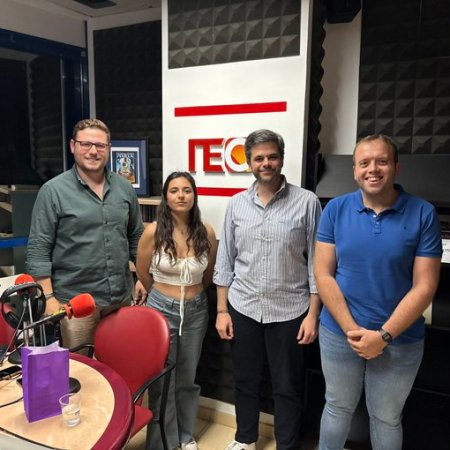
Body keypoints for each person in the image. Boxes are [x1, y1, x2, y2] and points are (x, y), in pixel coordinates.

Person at [315, 134, 442, 450]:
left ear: (396, 167)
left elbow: (425, 285)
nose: (373, 169)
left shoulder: (423, 213)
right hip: (339, 334)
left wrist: (383, 336)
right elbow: (323, 274)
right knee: (337, 407)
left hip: (400, 340)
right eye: (364, 163)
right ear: (355, 171)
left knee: (386, 418)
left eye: (382, 161)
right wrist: (352, 331)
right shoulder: (335, 210)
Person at [214, 129, 322, 450]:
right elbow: (225, 260)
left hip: (290, 311)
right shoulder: (236, 204)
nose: (266, 163)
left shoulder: (307, 202)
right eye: (259, 158)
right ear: (249, 163)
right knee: (245, 381)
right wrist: (221, 310)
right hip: (243, 307)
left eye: (272, 157)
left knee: (287, 386)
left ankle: (286, 444)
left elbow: (317, 264)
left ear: (282, 159)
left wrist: (313, 315)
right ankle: (245, 439)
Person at [26, 118, 145, 349]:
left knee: (117, 359)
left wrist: (142, 278)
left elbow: (136, 238)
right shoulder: (53, 191)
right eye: (86, 144)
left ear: (108, 148)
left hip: (119, 298)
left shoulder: (124, 188)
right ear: (73, 146)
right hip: (76, 304)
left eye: (100, 145)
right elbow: (39, 248)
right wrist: (48, 298)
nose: (93, 151)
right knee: (81, 365)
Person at [136, 171, 217, 450]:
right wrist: (162, 296)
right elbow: (143, 272)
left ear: (194, 195)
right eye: (174, 190)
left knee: (186, 377)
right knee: (162, 381)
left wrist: (193, 295)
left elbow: (208, 275)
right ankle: (163, 442)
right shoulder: (153, 232)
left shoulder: (206, 231)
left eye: (186, 190)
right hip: (160, 310)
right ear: (166, 197)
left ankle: (184, 435)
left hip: (196, 310)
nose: (181, 195)